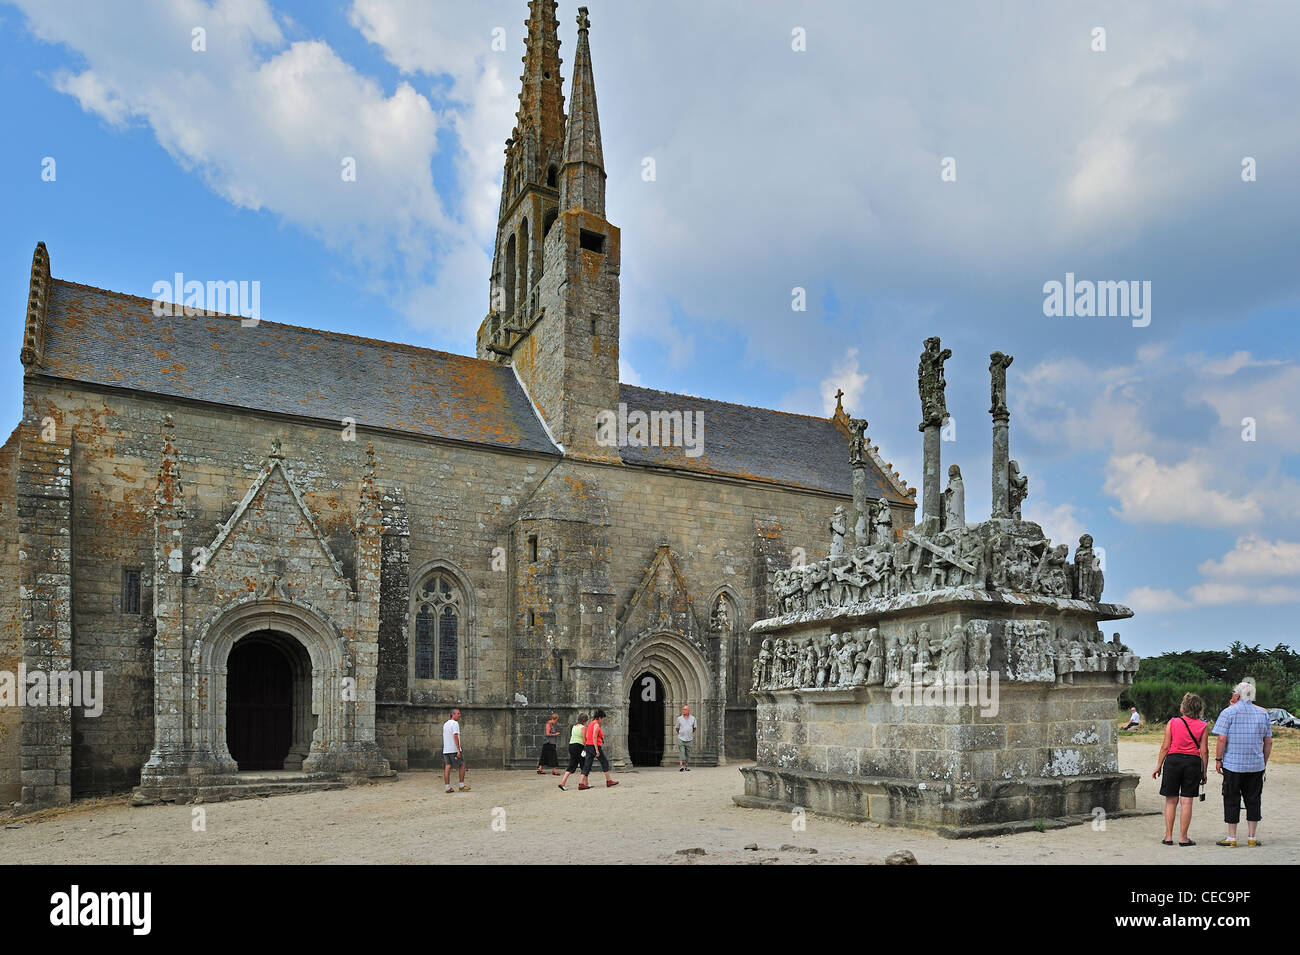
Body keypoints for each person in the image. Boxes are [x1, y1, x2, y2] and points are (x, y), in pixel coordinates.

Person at [1213, 682, 1273, 847]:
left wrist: (1218, 759)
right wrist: (1263, 761)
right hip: (1255, 764)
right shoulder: (1263, 715)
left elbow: (1221, 738)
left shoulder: (1228, 712)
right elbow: (1268, 742)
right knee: (1253, 799)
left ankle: (1232, 838)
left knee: (1231, 798)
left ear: (1237, 695)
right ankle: (1252, 837)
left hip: (1233, 764)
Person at [1152, 693, 1208, 846]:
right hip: (1192, 763)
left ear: (1183, 708)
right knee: (1187, 801)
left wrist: (1158, 766)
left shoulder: (1173, 722)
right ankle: (1183, 838)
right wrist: (1204, 772)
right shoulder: (1203, 726)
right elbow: (1204, 751)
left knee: (1171, 801)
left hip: (1173, 761)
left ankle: (1168, 836)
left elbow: (1165, 747)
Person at [579, 709, 619, 790]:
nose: (602, 720)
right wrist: (596, 750)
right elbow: (594, 737)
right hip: (594, 746)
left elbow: (587, 736)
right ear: (599, 718)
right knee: (604, 762)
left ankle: (581, 783)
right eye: (602, 718)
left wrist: (588, 745)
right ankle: (608, 781)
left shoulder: (590, 724)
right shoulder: (596, 725)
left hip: (589, 745)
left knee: (587, 765)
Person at [442, 707, 470, 793]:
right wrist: (458, 749)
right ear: (453, 714)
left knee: (448, 766)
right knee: (462, 765)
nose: (459, 715)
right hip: (453, 749)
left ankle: (447, 787)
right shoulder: (455, 724)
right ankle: (461, 786)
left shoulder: (445, 724)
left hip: (446, 749)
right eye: (458, 713)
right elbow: (455, 736)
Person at [557, 713, 587, 791]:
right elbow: (584, 739)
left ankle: (563, 783)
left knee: (574, 764)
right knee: (581, 765)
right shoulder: (583, 728)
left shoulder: (574, 726)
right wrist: (587, 746)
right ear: (584, 721)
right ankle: (582, 783)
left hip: (571, 745)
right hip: (578, 746)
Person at [674, 704, 698, 772]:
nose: (683, 711)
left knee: (688, 753)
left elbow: (694, 728)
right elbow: (677, 728)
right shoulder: (679, 718)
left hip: (689, 738)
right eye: (683, 709)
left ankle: (686, 766)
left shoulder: (693, 718)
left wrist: (690, 732)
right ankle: (681, 766)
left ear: (688, 711)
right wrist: (681, 733)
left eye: (685, 709)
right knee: (682, 751)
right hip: (681, 738)